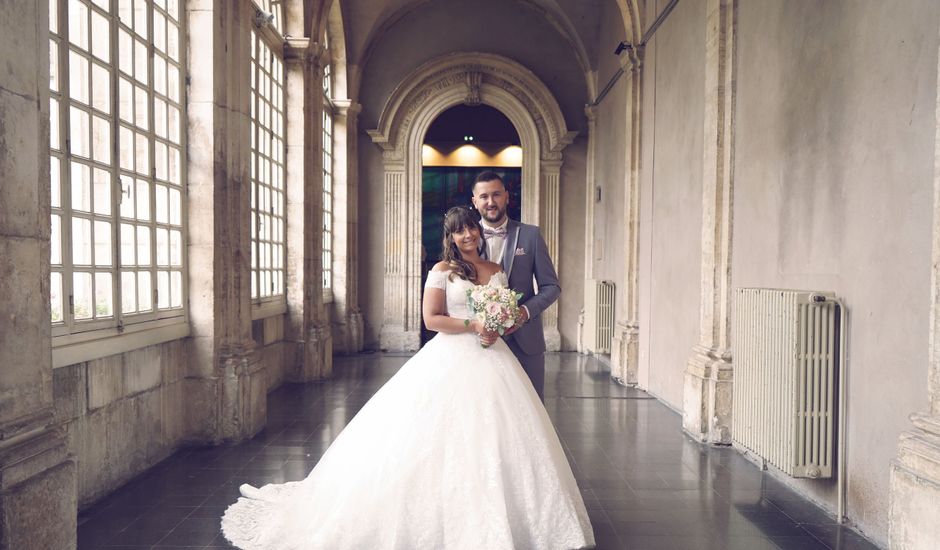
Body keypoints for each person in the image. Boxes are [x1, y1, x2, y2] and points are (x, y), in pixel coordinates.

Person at [220, 206, 595, 550]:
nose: (467, 236)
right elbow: (432, 320)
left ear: (478, 232)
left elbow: (504, 312)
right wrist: (474, 323)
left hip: (493, 358)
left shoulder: (496, 271)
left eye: (471, 229)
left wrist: (496, 326)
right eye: (459, 232)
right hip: (450, 356)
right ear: (449, 237)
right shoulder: (442, 271)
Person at [471, 171, 559, 401]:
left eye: (496, 194)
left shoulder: (530, 235)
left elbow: (551, 286)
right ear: (475, 201)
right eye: (484, 196)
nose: (491, 202)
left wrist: (523, 312)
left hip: (525, 341)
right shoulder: (465, 238)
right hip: (477, 343)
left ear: (507, 197)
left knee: (531, 408)